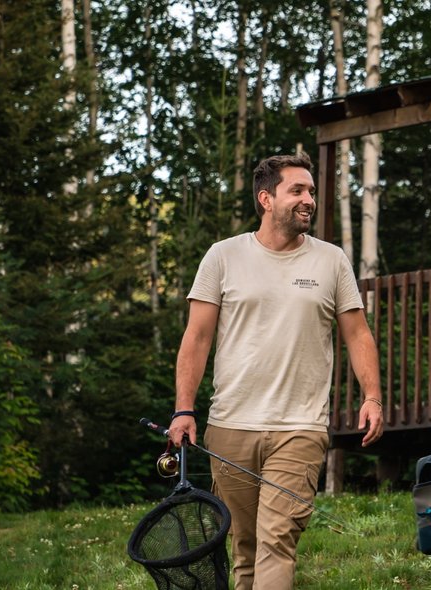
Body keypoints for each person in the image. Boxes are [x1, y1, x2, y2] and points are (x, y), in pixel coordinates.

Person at [168, 153, 384, 589]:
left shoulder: (331, 261)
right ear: (266, 198)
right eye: (297, 191)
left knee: (276, 541)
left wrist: (373, 397)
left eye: (311, 191)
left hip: (300, 427)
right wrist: (183, 409)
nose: (309, 200)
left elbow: (358, 335)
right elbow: (197, 338)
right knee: (243, 548)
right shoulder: (223, 257)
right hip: (231, 424)